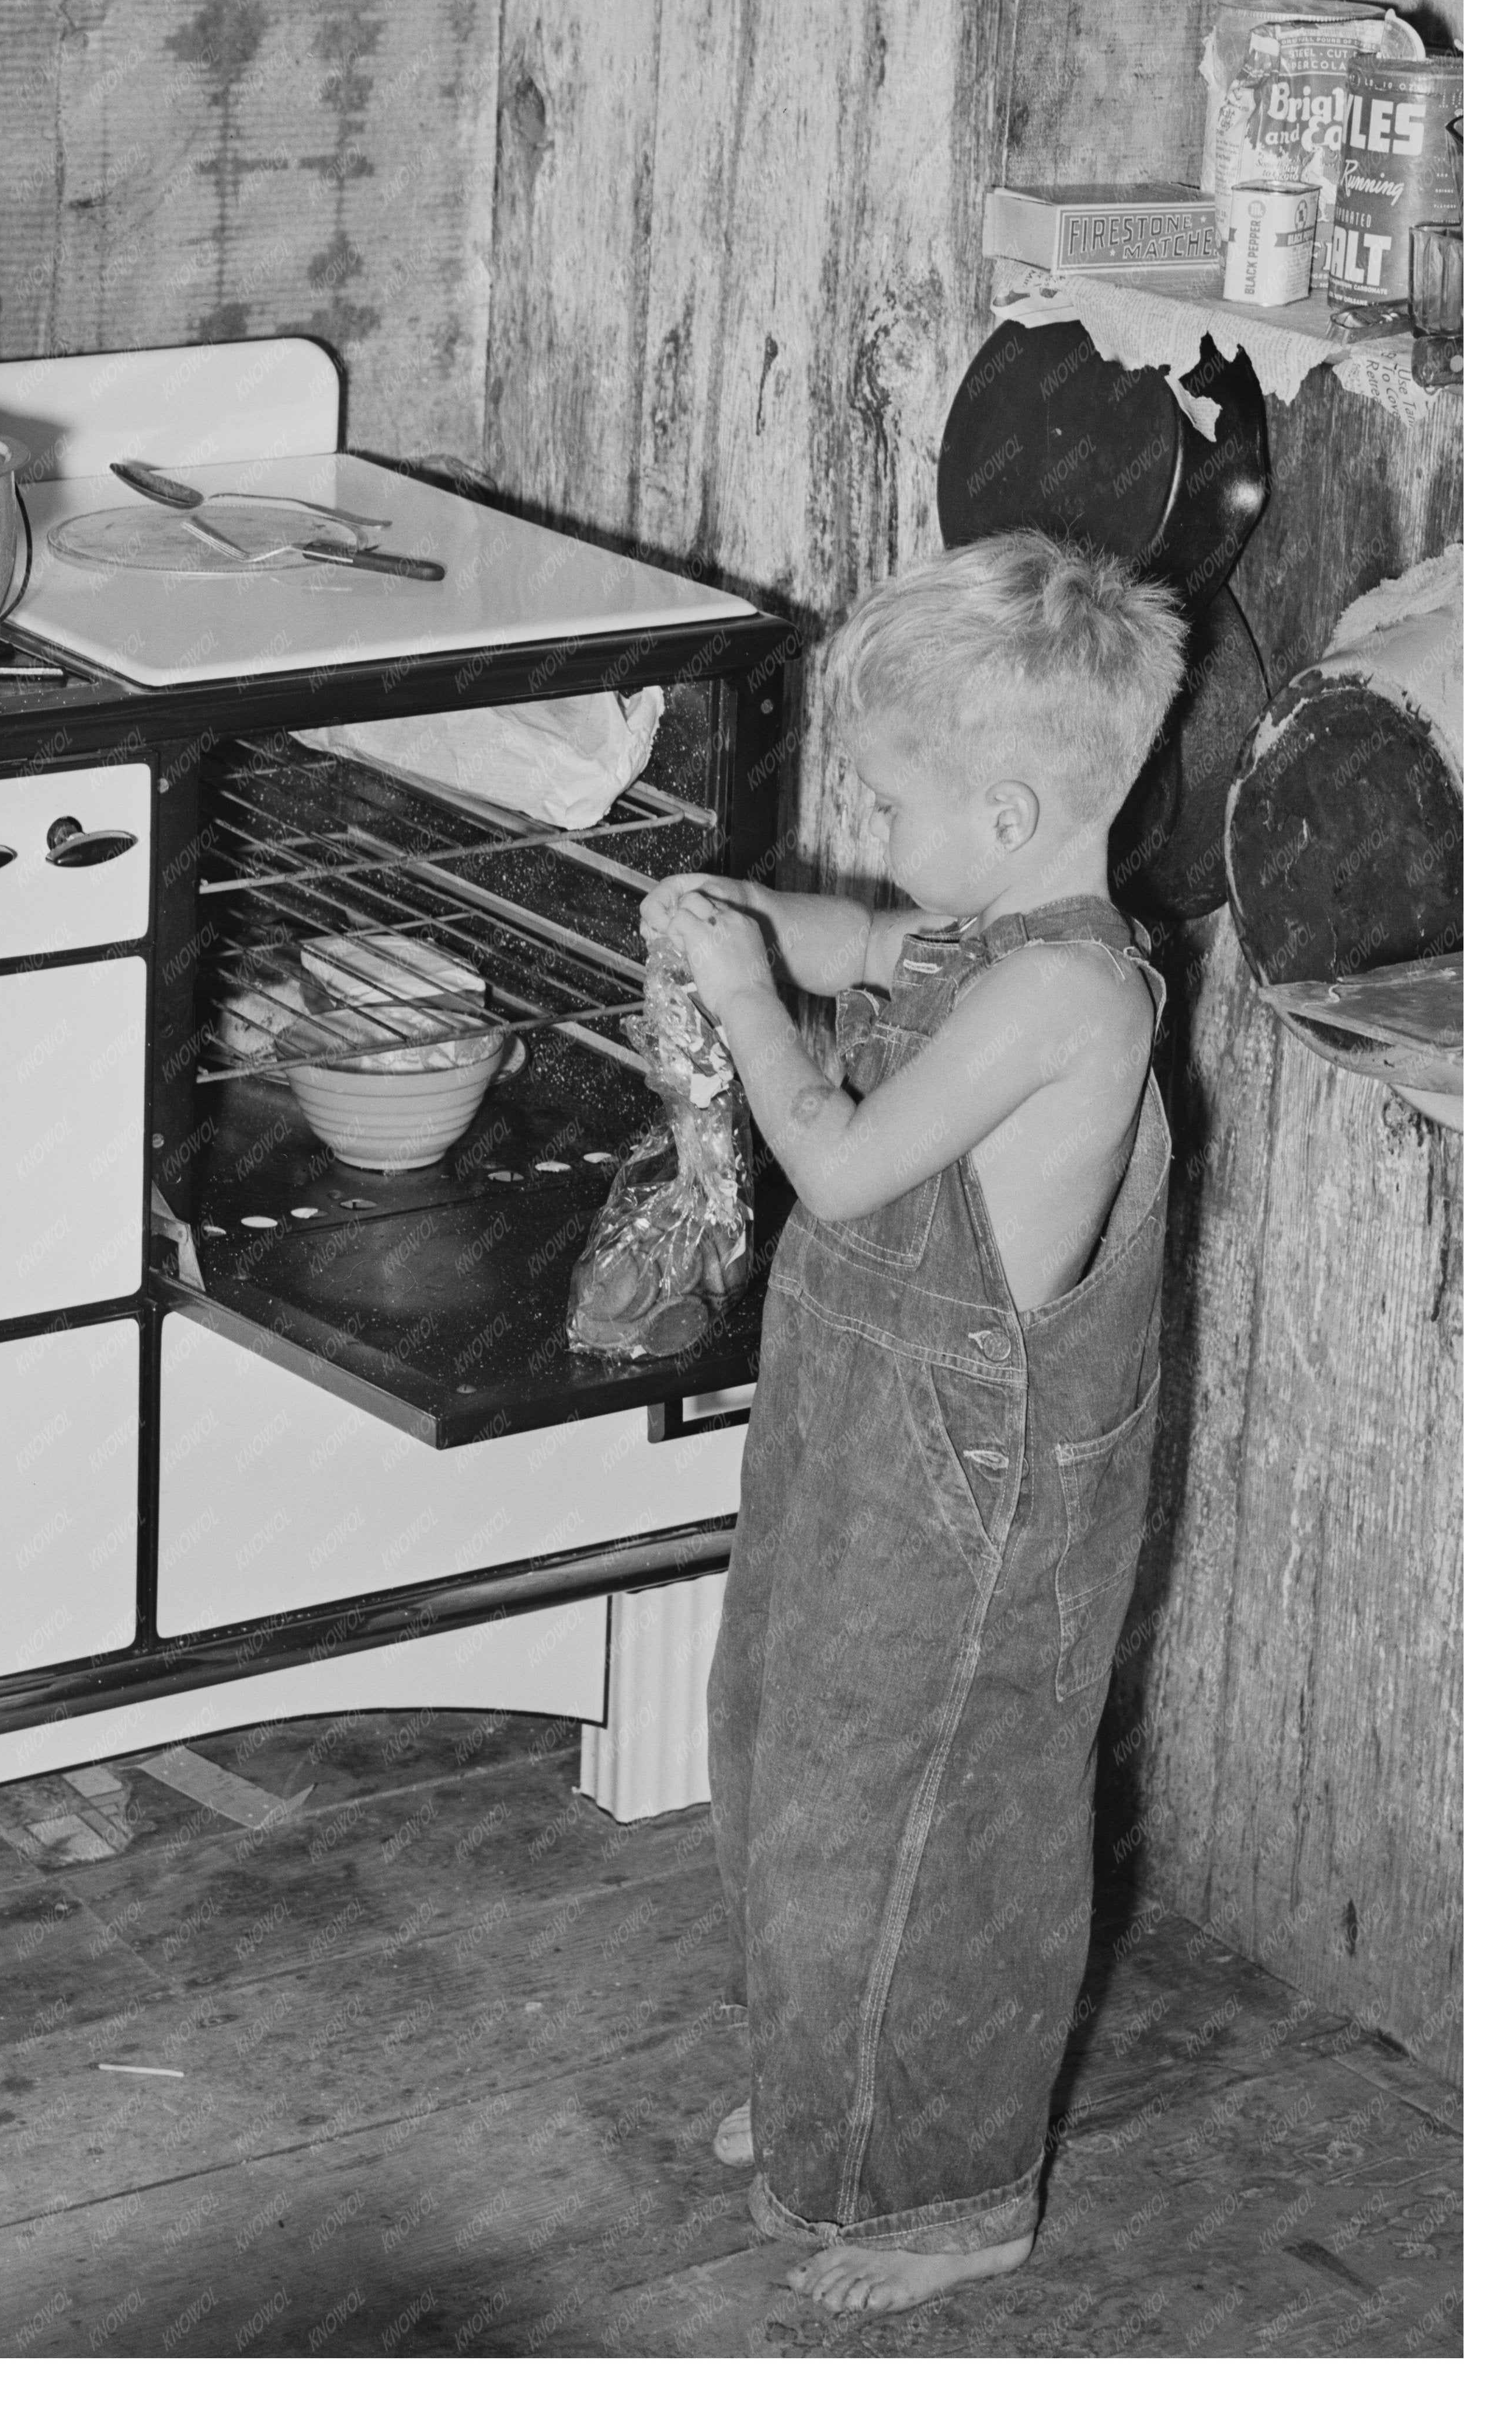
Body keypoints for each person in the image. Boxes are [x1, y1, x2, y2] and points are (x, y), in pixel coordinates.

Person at [645, 527, 1187, 2317]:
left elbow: (847, 1157)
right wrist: (745, 925)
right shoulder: (997, 928)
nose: (864, 835)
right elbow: (867, 943)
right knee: (791, 1751)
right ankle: (838, 2082)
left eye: (882, 801)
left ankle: (944, 2189)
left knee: (924, 1820)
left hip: (975, 1471)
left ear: (1015, 809)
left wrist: (742, 1008)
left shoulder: (1066, 991)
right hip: (863, 1420)